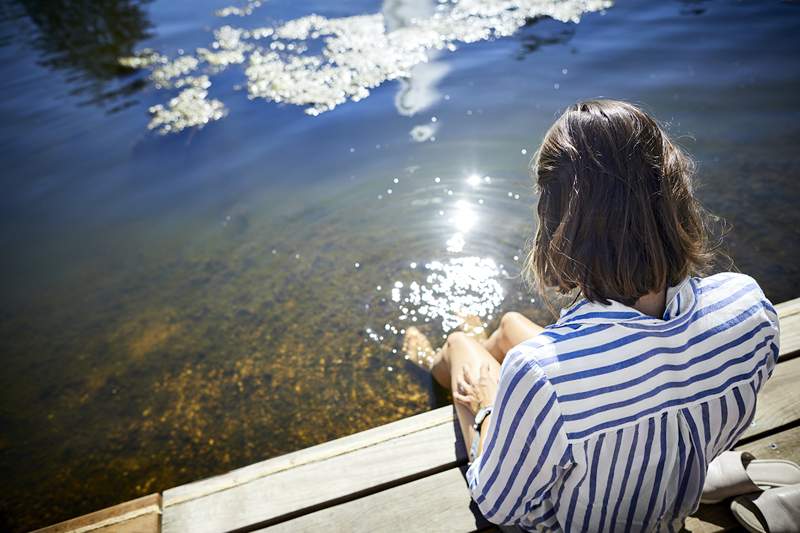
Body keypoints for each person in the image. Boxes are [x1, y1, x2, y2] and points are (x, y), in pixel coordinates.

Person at [406, 100, 781, 531]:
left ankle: (441, 354)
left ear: (558, 222)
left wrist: (489, 408)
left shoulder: (540, 374)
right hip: (670, 479)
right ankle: (487, 339)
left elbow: (498, 503)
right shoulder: (749, 307)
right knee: (510, 323)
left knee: (462, 350)